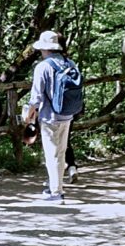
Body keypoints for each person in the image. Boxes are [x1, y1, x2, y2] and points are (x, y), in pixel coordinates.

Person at [23, 28, 85, 202]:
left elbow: (36, 97)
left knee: (51, 154)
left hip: (50, 116)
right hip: (67, 114)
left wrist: (29, 115)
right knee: (61, 152)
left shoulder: (42, 67)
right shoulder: (70, 63)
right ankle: (55, 187)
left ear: (45, 48)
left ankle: (56, 192)